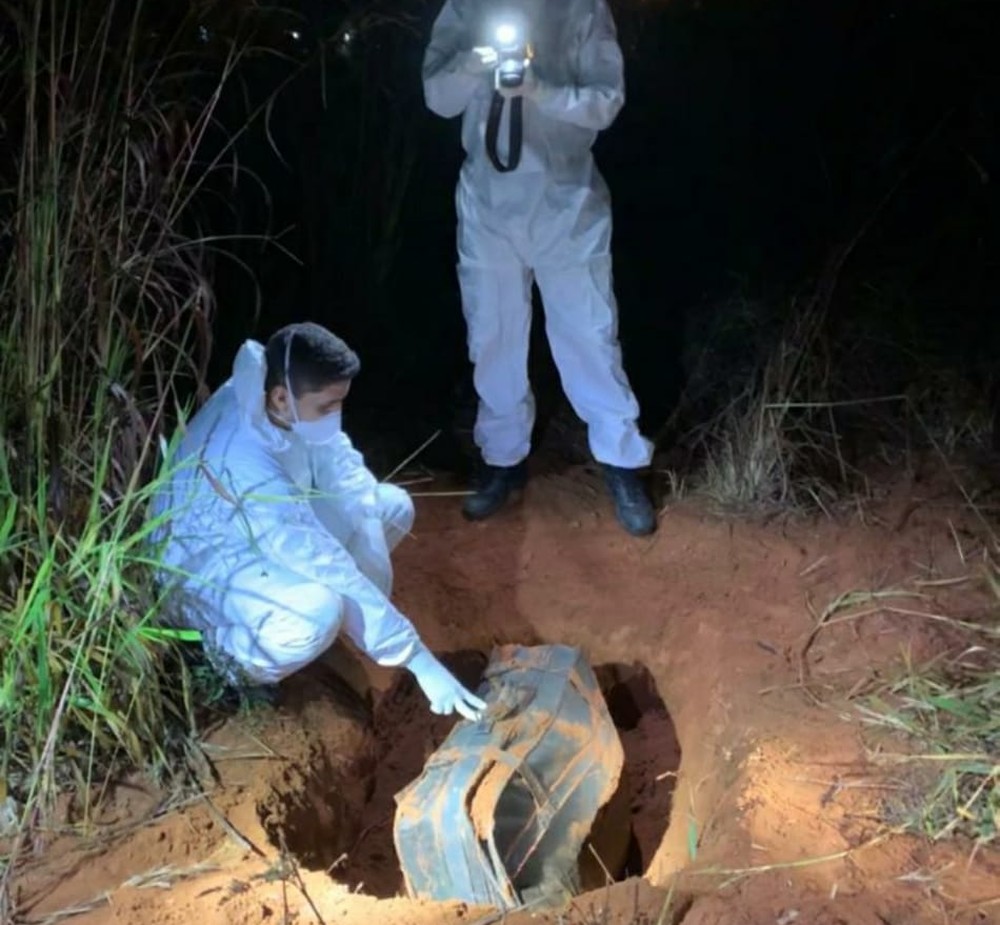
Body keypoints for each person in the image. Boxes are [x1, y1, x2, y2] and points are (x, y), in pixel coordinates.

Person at [151, 322, 486, 720]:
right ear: (279, 398)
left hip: (259, 536)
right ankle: (228, 663)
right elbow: (319, 558)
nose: (336, 415)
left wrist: (372, 569)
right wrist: (417, 659)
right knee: (318, 610)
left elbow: (343, 471)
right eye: (327, 406)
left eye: (340, 402)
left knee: (390, 506)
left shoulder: (278, 398)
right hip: (202, 570)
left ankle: (334, 628)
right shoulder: (243, 462)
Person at [422, 0, 658, 536]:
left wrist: (538, 88)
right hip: (486, 205)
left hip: (566, 203)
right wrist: (474, 63)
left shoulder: (583, 10)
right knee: (493, 337)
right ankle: (502, 463)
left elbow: (605, 103)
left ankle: (622, 462)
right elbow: (437, 98)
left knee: (590, 336)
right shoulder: (465, 8)